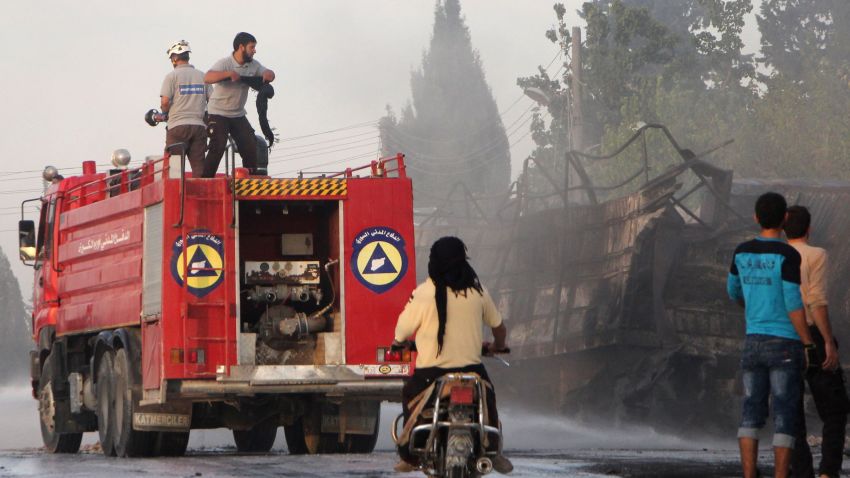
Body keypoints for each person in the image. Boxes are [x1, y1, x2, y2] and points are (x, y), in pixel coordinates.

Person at [392, 236, 512, 474]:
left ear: (434, 261)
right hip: (472, 371)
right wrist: (498, 345)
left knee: (409, 395)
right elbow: (499, 327)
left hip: (430, 375)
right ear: (463, 261)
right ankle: (494, 450)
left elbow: (401, 332)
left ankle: (408, 456)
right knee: (488, 398)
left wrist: (399, 344)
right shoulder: (478, 292)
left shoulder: (424, 292)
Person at [728, 192, 814, 478]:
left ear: (755, 217)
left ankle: (749, 475)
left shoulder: (741, 252)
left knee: (751, 411)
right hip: (785, 346)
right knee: (784, 414)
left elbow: (733, 291)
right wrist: (808, 342)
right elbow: (793, 302)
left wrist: (751, 307)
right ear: (785, 218)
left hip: (752, 341)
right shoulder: (787, 254)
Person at [785, 206, 849, 478]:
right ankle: (827, 472)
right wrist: (828, 342)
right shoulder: (816, 255)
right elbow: (816, 301)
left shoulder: (777, 256)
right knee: (836, 410)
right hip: (811, 333)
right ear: (809, 229)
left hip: (784, 337)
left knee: (791, 409)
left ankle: (801, 471)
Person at [203, 32, 275, 177]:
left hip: (237, 114)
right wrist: (228, 74)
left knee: (250, 146)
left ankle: (251, 181)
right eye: (252, 47)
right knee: (218, 145)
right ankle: (206, 180)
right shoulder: (225, 63)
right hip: (217, 112)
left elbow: (270, 74)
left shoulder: (253, 65)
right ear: (241, 47)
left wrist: (268, 74)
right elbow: (208, 77)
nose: (254, 50)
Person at [160, 40, 210, 177]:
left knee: (175, 170)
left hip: (177, 127)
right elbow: (212, 101)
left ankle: (177, 196)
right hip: (199, 127)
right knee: (199, 167)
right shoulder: (203, 76)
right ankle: (201, 195)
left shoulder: (172, 76)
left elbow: (165, 101)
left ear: (175, 58)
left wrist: (164, 113)